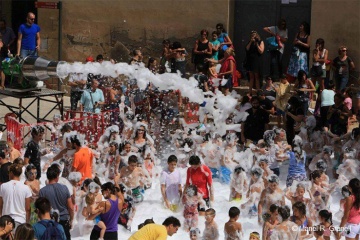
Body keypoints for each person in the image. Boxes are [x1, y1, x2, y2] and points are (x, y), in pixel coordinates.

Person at [39, 165, 73, 240]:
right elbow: (70, 207)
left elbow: (40, 208)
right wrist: (71, 219)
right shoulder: (64, 188)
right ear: (57, 176)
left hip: (48, 222)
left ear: (47, 177)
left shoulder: (42, 191)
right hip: (64, 219)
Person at [245, 30, 264, 95]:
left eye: (254, 34)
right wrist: (251, 42)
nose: (253, 36)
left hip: (257, 60)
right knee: (251, 77)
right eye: (252, 35)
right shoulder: (250, 42)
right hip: (250, 61)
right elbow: (247, 49)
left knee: (257, 77)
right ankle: (250, 92)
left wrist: (257, 45)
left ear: (257, 35)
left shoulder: (260, 42)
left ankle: (258, 91)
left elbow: (261, 51)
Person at [0, 19, 16, 89]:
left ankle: (3, 84)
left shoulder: (9, 30)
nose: (1, 26)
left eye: (2, 24)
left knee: (3, 68)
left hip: (5, 52)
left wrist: (9, 44)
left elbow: (14, 38)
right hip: (2, 51)